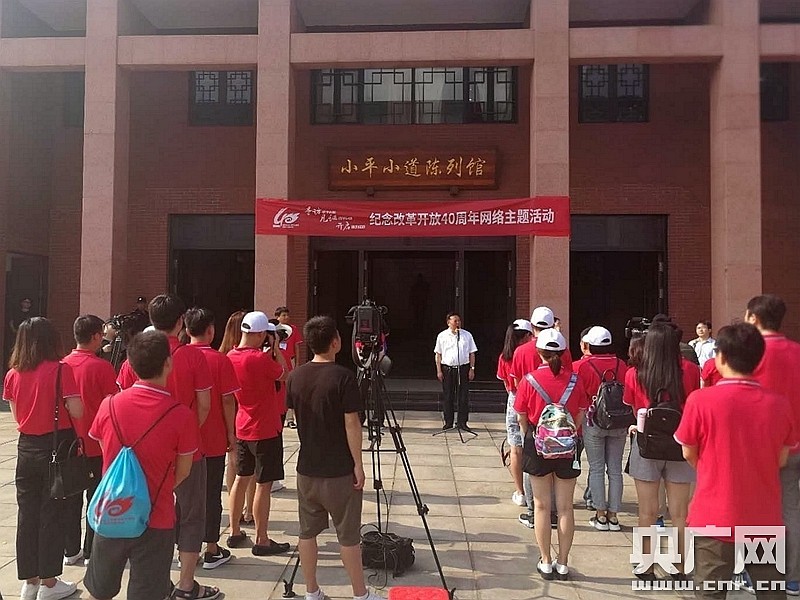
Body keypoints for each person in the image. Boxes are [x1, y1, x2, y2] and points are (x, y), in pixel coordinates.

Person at [674, 322, 793, 599]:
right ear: (759, 360)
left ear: (721, 358)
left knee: (710, 593)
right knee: (771, 593)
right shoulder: (779, 404)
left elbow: (688, 452)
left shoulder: (700, 401)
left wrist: (714, 469)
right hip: (764, 517)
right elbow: (782, 458)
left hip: (713, 515)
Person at [116, 294, 217, 600]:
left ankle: (152, 578)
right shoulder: (192, 356)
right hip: (188, 449)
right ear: (180, 321)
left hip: (145, 451)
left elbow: (125, 399)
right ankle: (186, 583)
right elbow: (204, 404)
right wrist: (186, 433)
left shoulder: (137, 355)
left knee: (147, 511)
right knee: (191, 515)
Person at [84, 331, 197, 600]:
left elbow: (105, 450)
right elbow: (184, 470)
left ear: (131, 366)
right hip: (156, 515)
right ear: (168, 363)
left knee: (99, 591)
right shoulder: (181, 414)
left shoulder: (109, 405)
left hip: (112, 509)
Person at [286, 315, 384, 600]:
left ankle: (312, 591)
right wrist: (358, 465)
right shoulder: (343, 377)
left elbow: (294, 416)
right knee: (348, 537)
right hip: (339, 470)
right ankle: (360, 594)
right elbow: (352, 424)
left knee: (307, 533)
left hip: (307, 468)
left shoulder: (295, 376)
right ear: (335, 342)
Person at [3, 317, 83, 600]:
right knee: (52, 513)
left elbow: (17, 416)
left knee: (27, 514)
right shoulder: (61, 370)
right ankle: (50, 582)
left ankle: (30, 580)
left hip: (26, 447)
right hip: (55, 445)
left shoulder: (13, 374)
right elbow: (77, 410)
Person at [623, 322, 700, 580]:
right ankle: (679, 565)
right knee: (680, 513)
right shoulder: (690, 370)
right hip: (680, 443)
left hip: (647, 444)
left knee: (647, 510)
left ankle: (645, 565)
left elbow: (634, 408)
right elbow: (692, 403)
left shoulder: (635, 373)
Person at [514, 329, 590, 581]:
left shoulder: (529, 380)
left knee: (541, 505)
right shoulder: (575, 380)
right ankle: (563, 562)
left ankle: (546, 560)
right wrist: (569, 433)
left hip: (538, 446)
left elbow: (521, 416)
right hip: (568, 447)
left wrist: (531, 436)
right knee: (566, 507)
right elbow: (580, 413)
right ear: (563, 352)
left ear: (539, 352)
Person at [744, 294, 800, 594]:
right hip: (795, 443)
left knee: (757, 509)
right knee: (791, 508)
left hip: (759, 445)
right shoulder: (797, 352)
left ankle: (760, 574)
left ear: (753, 317)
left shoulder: (749, 353)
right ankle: (793, 576)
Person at [226, 311, 291, 555]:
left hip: (243, 425)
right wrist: (276, 349)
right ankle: (261, 538)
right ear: (262, 334)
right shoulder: (260, 359)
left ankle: (234, 531)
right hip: (265, 428)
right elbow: (285, 373)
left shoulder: (231, 356)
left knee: (241, 478)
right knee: (264, 484)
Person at [184, 307, 240, 570]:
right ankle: (211, 548)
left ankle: (185, 548)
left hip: (183, 438)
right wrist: (231, 432)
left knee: (184, 495)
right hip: (214, 437)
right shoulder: (220, 360)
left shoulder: (177, 358)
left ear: (186, 329)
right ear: (211, 330)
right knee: (211, 493)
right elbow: (228, 400)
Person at [62, 315, 119, 567]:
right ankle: (91, 550)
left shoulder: (62, 365)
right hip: (96, 443)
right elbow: (113, 404)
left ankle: (70, 550)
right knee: (96, 500)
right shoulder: (102, 367)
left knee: (70, 500)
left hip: (68, 444)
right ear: (96, 336)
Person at [576, 326, 628, 532]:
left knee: (596, 468)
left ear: (590, 345)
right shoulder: (621, 364)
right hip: (619, 421)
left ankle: (600, 514)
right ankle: (614, 516)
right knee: (615, 469)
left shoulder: (582, 366)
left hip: (593, 420)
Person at [497, 319, 533, 507]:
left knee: (516, 448)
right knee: (532, 447)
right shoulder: (531, 353)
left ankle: (520, 492)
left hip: (514, 398)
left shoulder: (505, 356)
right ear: (526, 336)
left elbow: (506, 382)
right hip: (531, 400)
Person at [434, 312, 478, 432]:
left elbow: (472, 353)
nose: (457, 323)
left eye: (459, 321)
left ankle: (462, 422)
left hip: (463, 368)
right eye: (455, 321)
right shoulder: (442, 336)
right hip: (448, 369)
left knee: (463, 396)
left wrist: (472, 368)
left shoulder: (467, 335)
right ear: (448, 322)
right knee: (448, 395)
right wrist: (439, 370)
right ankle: (448, 422)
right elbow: (438, 354)